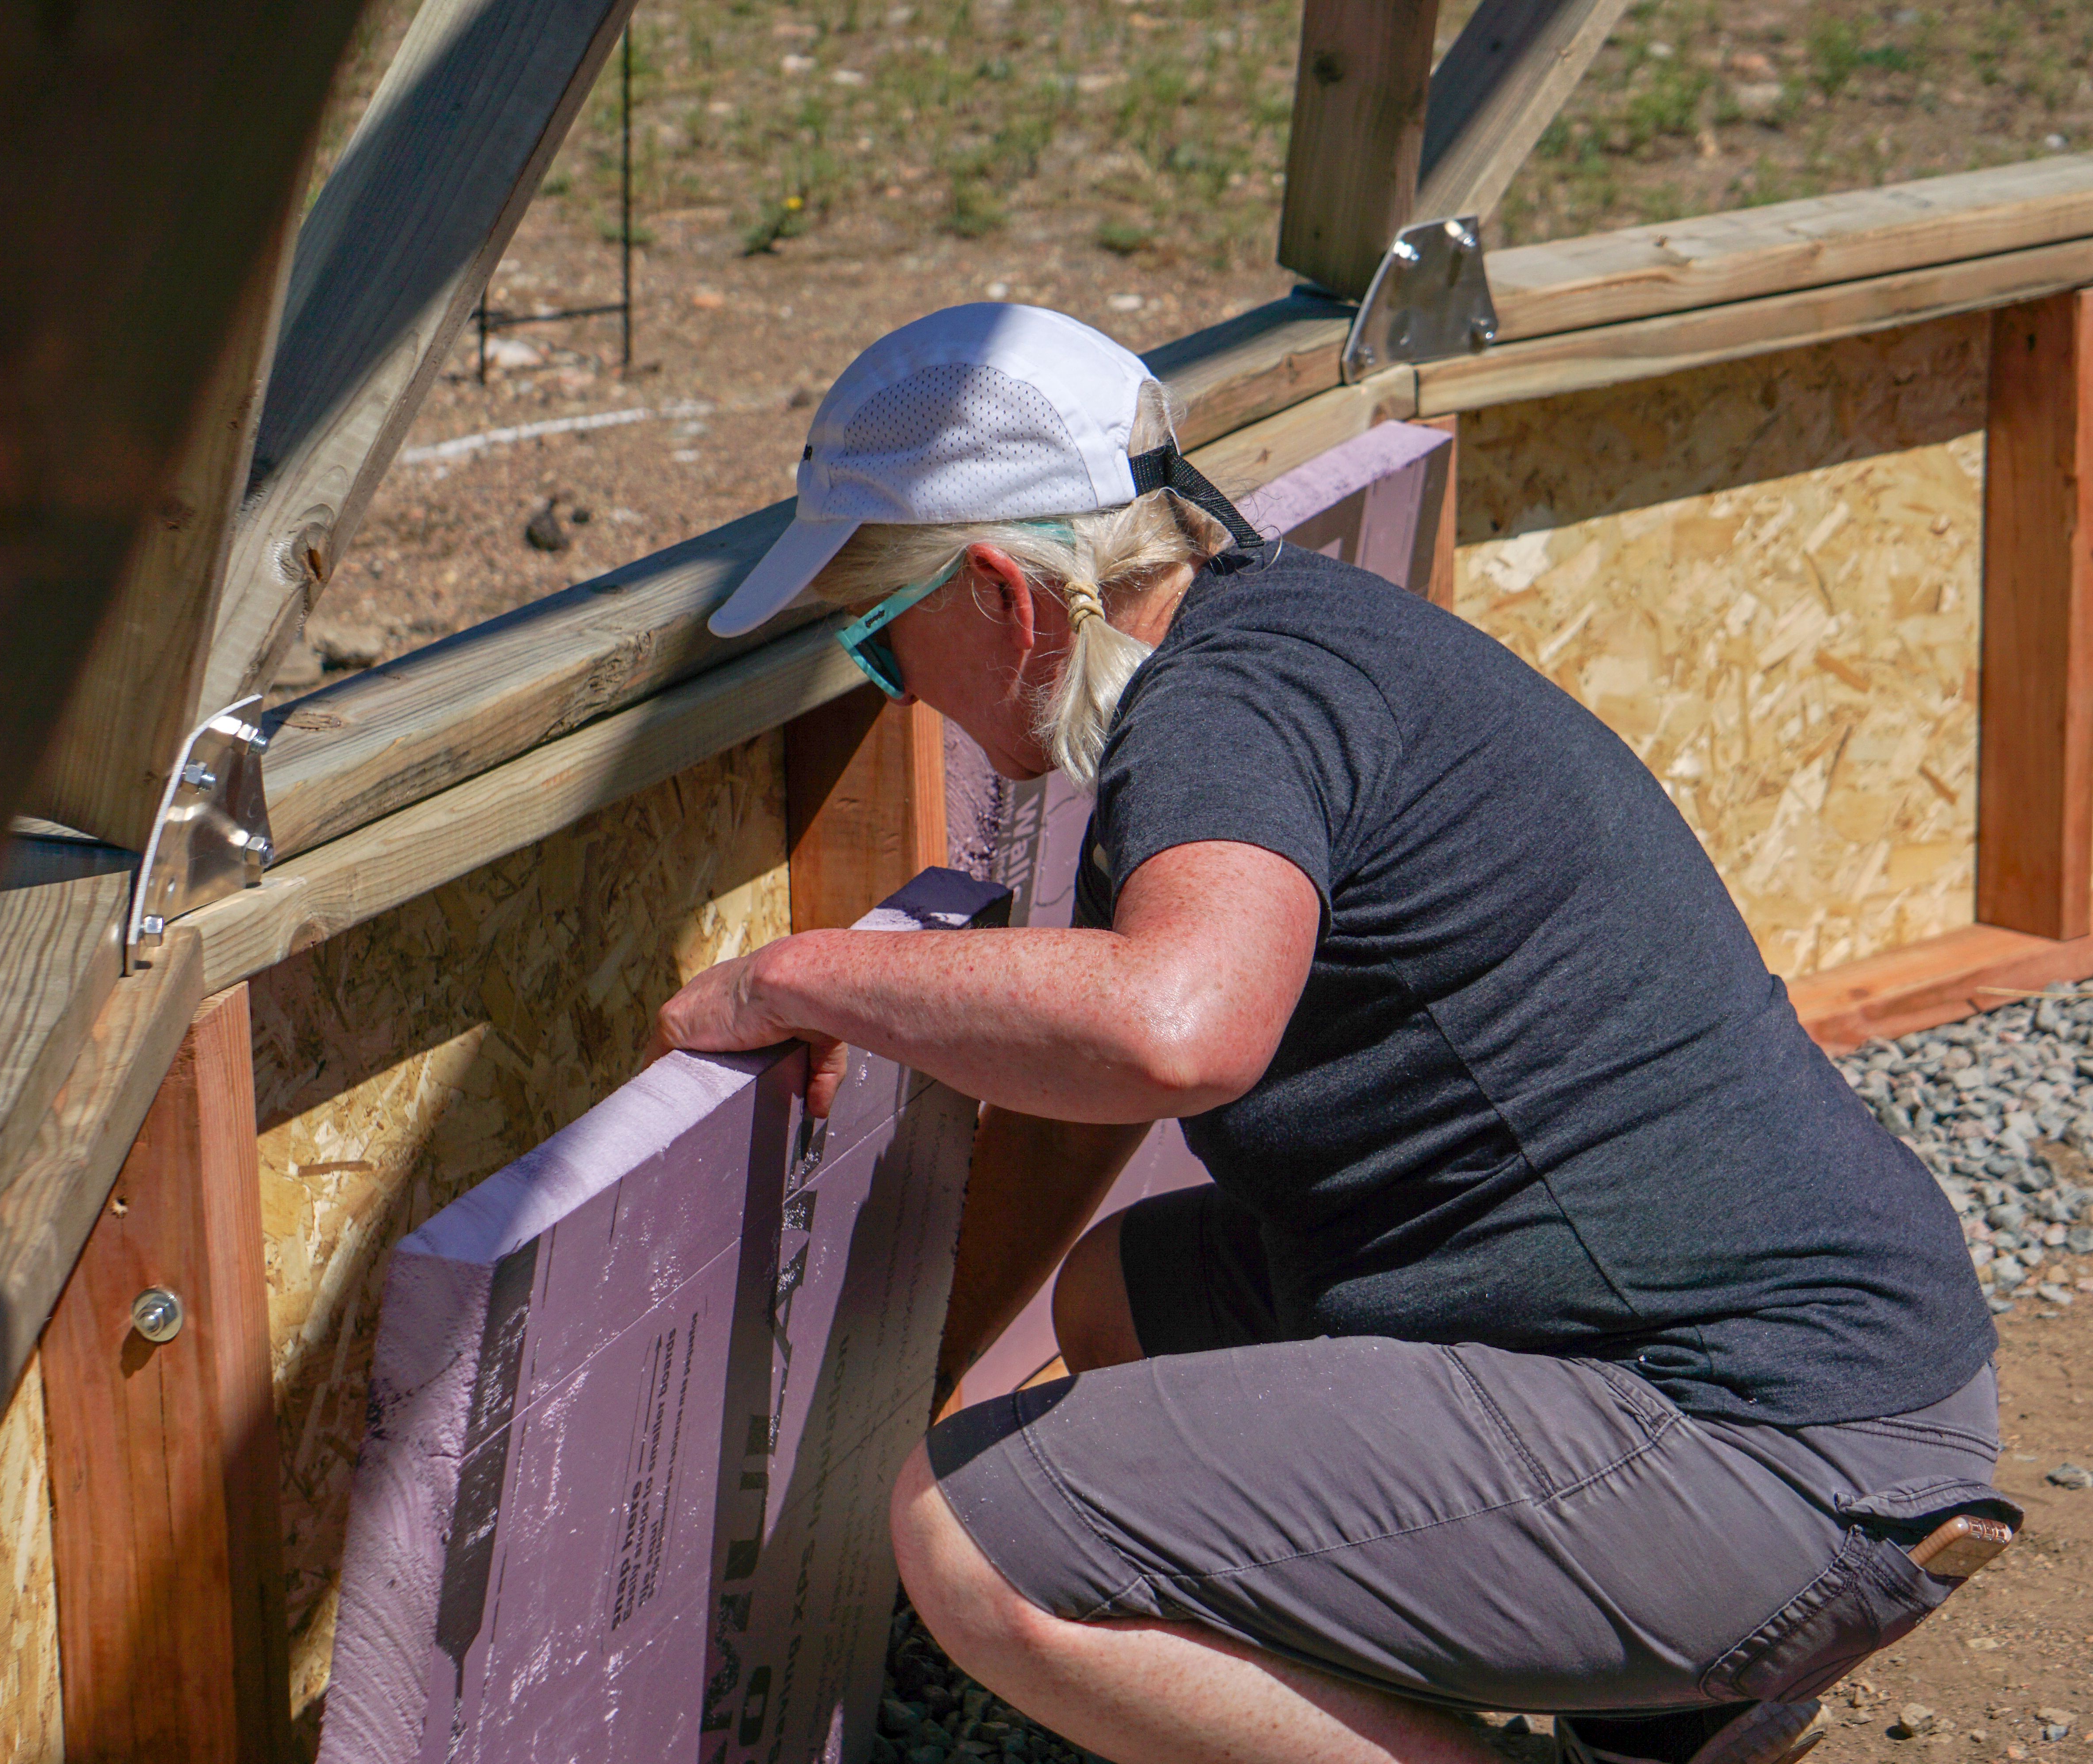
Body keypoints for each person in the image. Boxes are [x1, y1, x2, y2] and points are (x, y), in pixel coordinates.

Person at [651, 303, 2013, 1764]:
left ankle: (1652, 1672)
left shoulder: (1222, 716)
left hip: (1780, 1449)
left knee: (973, 1543)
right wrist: (913, 1374)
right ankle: (1684, 1709)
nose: (901, 691)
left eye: (877, 642)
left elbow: (1175, 1034)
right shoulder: (1283, 633)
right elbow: (1090, 1097)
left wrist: (802, 980)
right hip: (1828, 1364)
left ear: (1007, 594)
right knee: (1123, 1305)